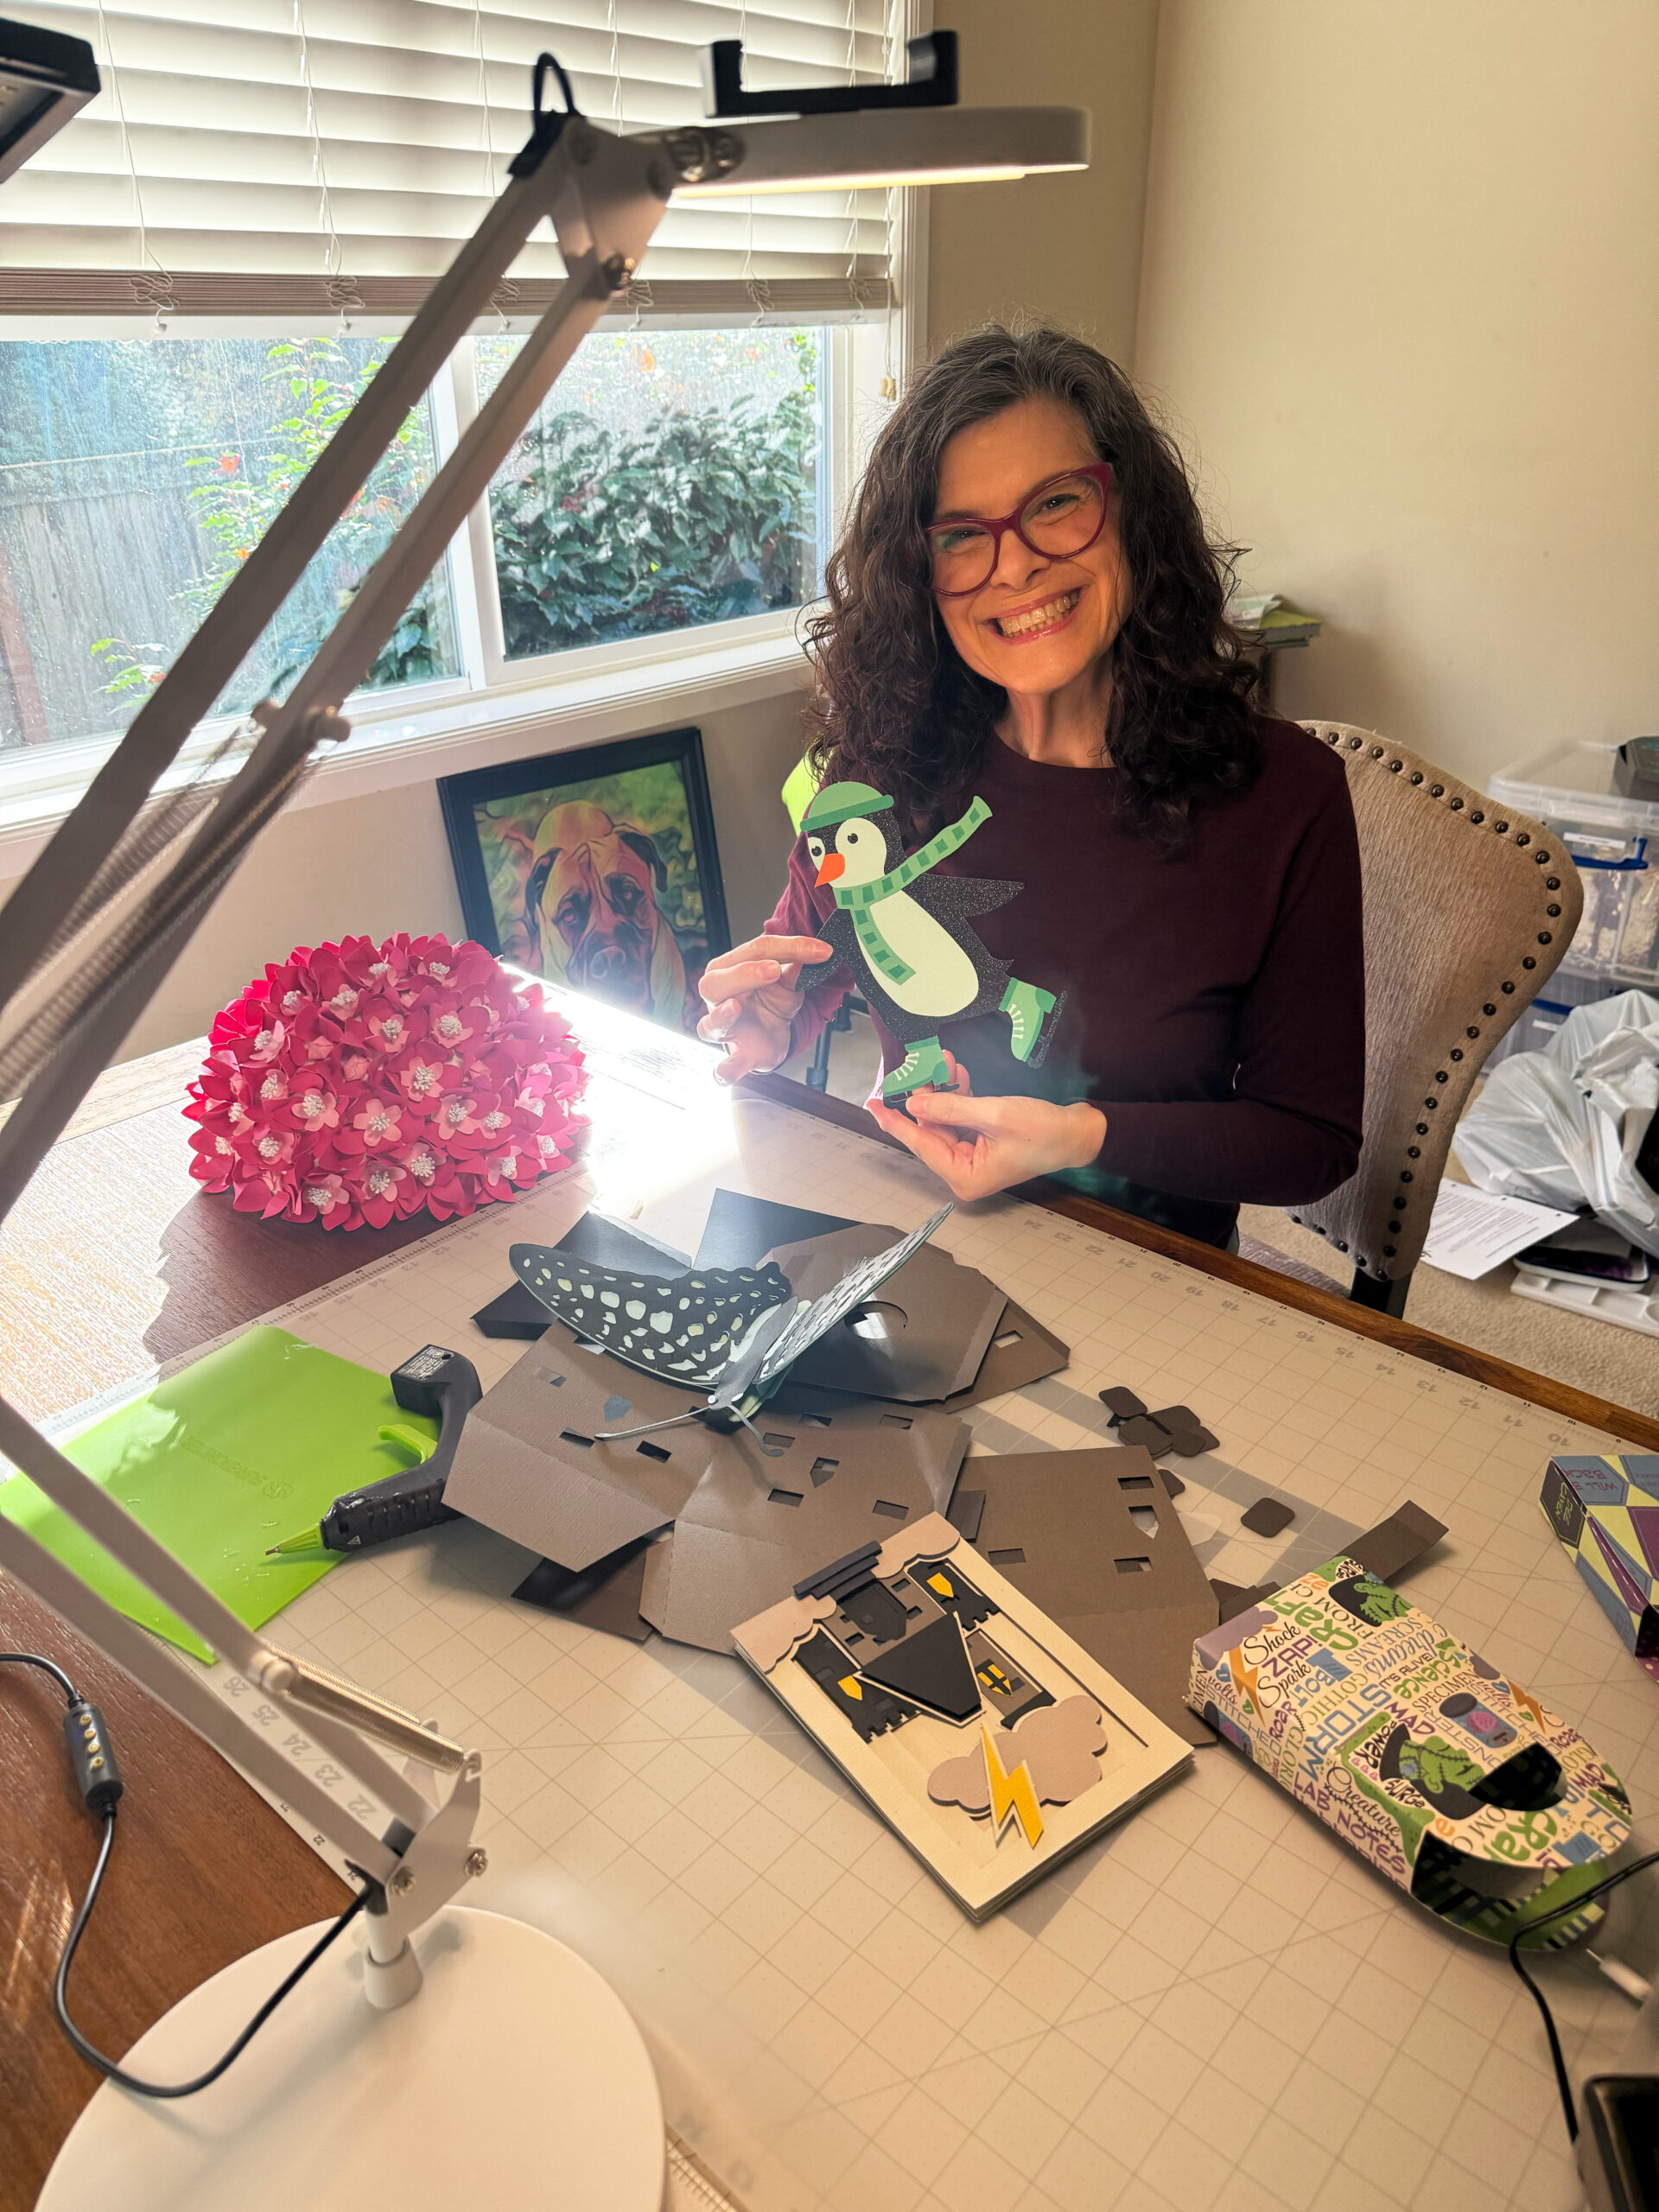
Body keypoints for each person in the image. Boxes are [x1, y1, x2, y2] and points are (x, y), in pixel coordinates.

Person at [697, 326, 1364, 1250]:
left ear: (1132, 511)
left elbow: (1312, 1143)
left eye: (1056, 504)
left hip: (1150, 1278)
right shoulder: (874, 770)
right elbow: (813, 965)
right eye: (962, 537)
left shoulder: (1287, 797)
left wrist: (1078, 1136)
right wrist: (771, 1024)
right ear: (921, 577)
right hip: (909, 1239)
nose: (1014, 566)